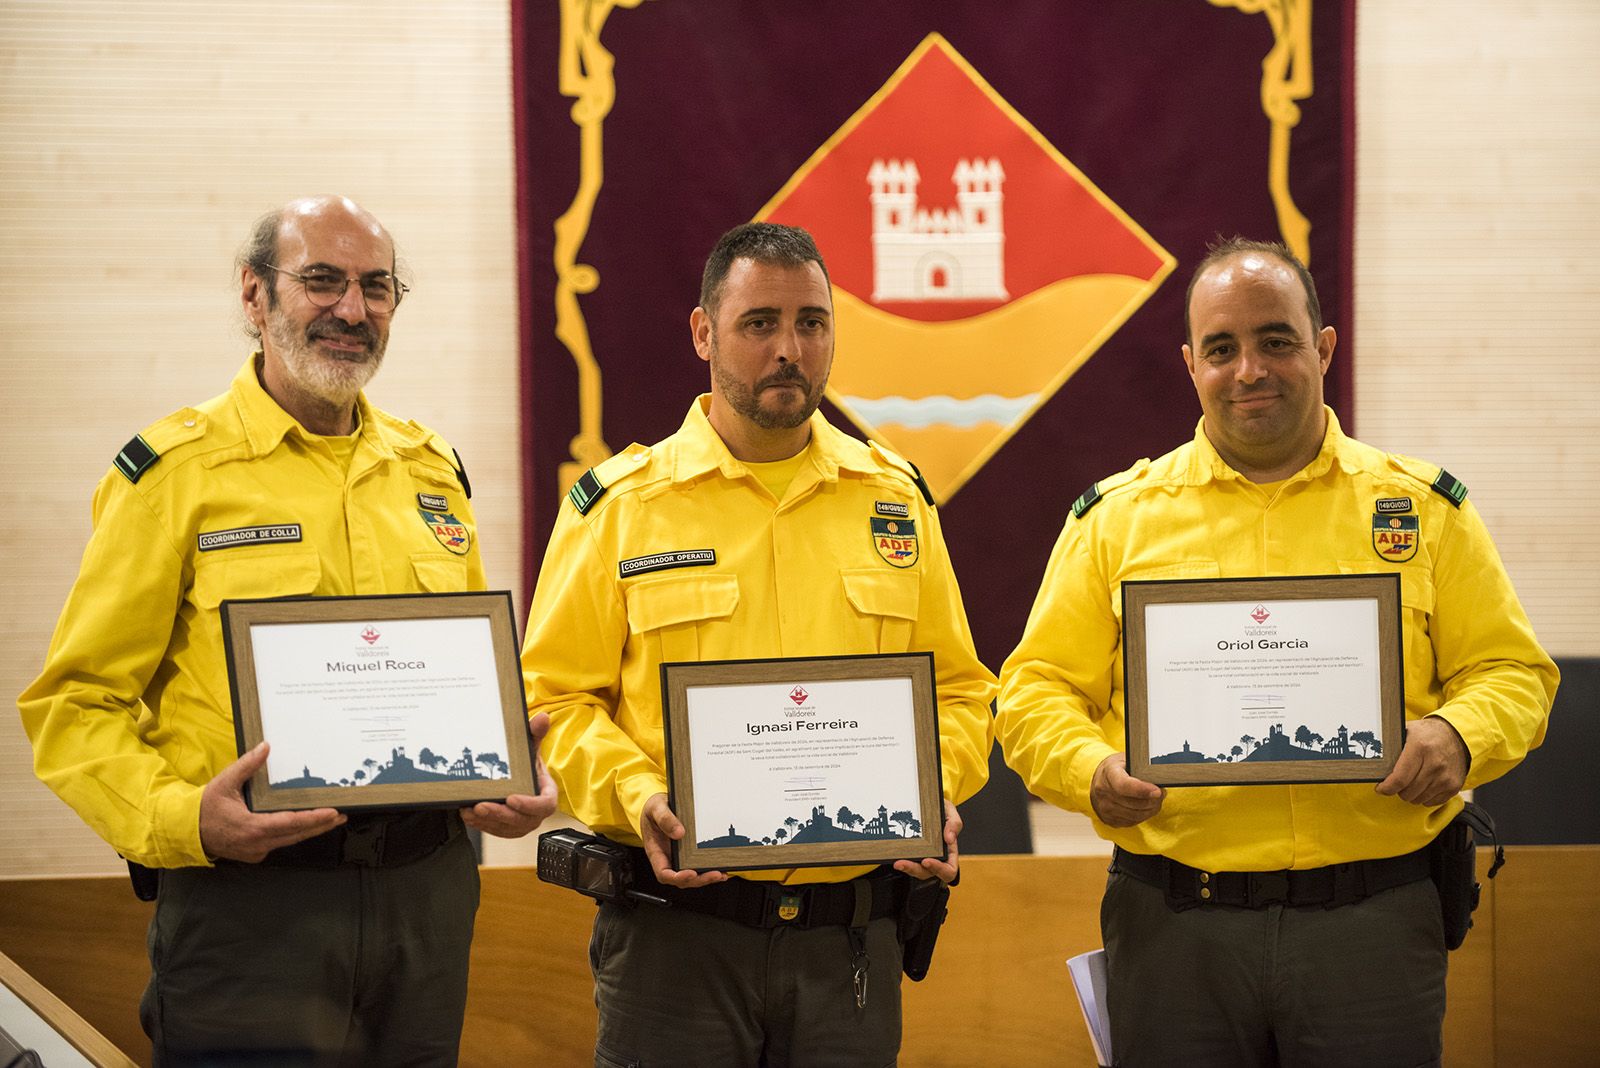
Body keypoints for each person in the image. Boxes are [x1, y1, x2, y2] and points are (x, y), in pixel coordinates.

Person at [19, 195, 557, 1065]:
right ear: (254, 295)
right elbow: (76, 703)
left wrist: (511, 768)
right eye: (321, 281)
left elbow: (458, 681)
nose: (352, 309)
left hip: (426, 896)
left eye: (377, 287)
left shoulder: (432, 474)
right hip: (250, 905)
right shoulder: (175, 475)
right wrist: (183, 820)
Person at [997, 237, 1558, 1066]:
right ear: (1191, 365)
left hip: (1373, 925)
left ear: (1323, 347)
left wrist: (1458, 734)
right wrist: (1088, 770)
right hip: (1176, 930)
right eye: (1222, 349)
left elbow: (1513, 673)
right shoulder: (1117, 520)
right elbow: (1036, 689)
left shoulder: (1422, 510)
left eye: (1277, 340)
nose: (1250, 369)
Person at [521, 222, 996, 1065]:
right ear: (704, 332)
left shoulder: (894, 501)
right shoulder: (621, 506)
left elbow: (960, 694)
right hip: (677, 943)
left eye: (812, 323)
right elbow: (554, 699)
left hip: (847, 942)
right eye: (760, 323)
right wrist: (640, 796)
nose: (790, 348)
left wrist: (932, 788)